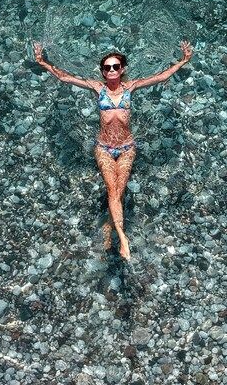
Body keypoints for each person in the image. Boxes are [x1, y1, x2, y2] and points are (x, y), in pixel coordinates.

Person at [33, 39, 194, 260]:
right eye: (107, 67)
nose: (111, 70)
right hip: (104, 148)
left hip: (127, 148)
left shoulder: (131, 87)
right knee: (112, 189)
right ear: (102, 71)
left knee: (119, 190)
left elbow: (161, 77)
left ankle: (110, 228)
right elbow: (64, 77)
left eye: (115, 67)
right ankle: (122, 236)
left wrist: (183, 61)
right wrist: (43, 62)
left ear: (122, 69)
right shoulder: (97, 88)